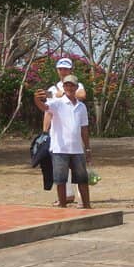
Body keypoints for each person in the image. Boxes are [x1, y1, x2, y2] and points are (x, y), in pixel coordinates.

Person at [34, 75, 92, 209]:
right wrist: (36, 99)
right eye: (66, 85)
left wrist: (87, 148)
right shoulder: (57, 103)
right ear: (64, 87)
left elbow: (84, 129)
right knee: (60, 179)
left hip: (77, 149)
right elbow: (44, 107)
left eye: (72, 85)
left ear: (76, 88)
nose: (69, 88)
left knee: (82, 179)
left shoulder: (81, 107)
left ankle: (87, 205)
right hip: (60, 148)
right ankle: (62, 205)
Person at [45, 58, 86, 203]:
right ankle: (67, 195)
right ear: (57, 70)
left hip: (74, 133)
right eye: (61, 69)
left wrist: (65, 93)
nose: (63, 71)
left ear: (71, 70)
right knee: (61, 167)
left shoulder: (77, 85)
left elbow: (82, 95)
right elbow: (47, 110)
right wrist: (45, 131)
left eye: (66, 69)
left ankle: (82, 197)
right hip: (58, 133)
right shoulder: (52, 89)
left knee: (78, 168)